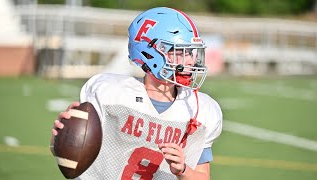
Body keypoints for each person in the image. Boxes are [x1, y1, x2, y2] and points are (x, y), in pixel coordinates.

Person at [50, 7, 222, 180]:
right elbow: (75, 152)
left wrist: (183, 170)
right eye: (179, 52)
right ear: (151, 53)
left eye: (190, 52)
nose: (190, 60)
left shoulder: (200, 110)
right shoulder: (110, 95)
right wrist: (65, 139)